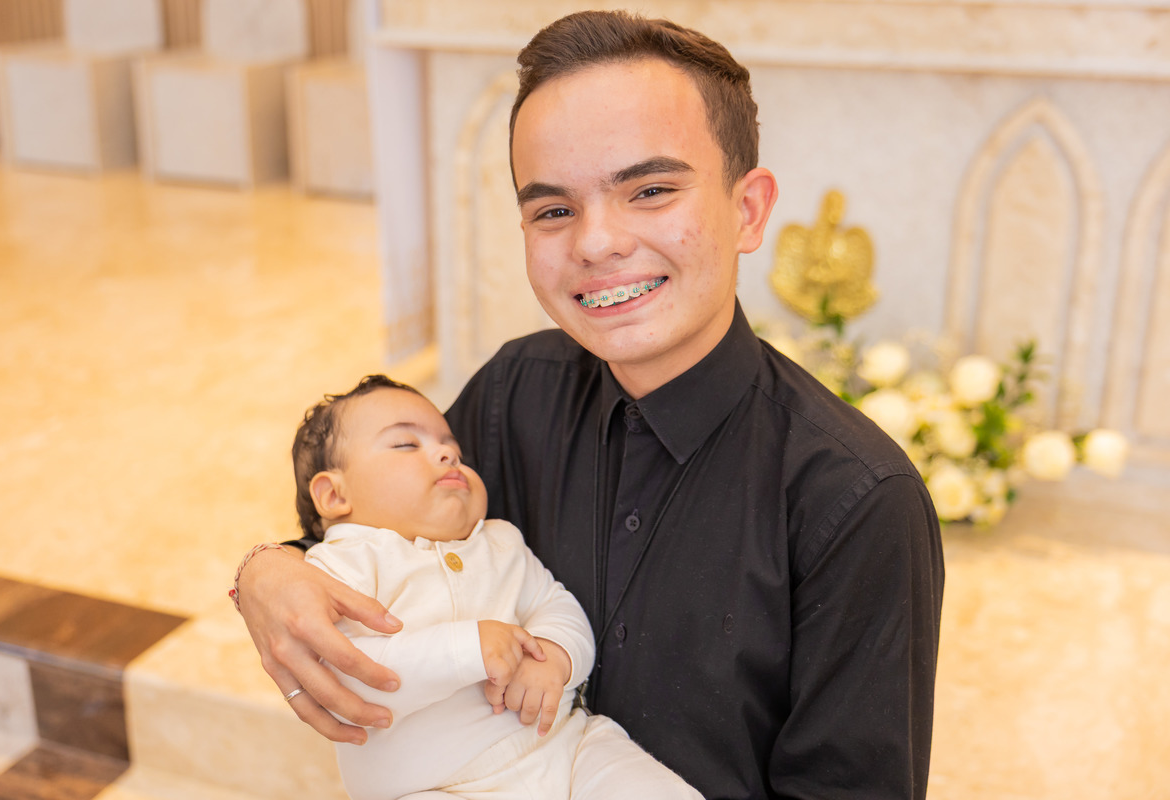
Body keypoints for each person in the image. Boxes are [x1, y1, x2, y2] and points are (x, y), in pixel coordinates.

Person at [232, 10, 944, 800]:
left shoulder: (854, 502)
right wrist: (269, 569)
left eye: (649, 189)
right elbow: (379, 535)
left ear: (747, 210)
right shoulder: (514, 391)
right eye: (553, 210)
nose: (597, 243)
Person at [284, 373, 704, 799]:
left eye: (453, 447)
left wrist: (555, 655)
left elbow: (556, 606)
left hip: (565, 746)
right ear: (334, 496)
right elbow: (348, 672)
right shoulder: (340, 566)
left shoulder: (499, 541)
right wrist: (468, 648)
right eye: (407, 444)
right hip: (435, 785)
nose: (447, 453)